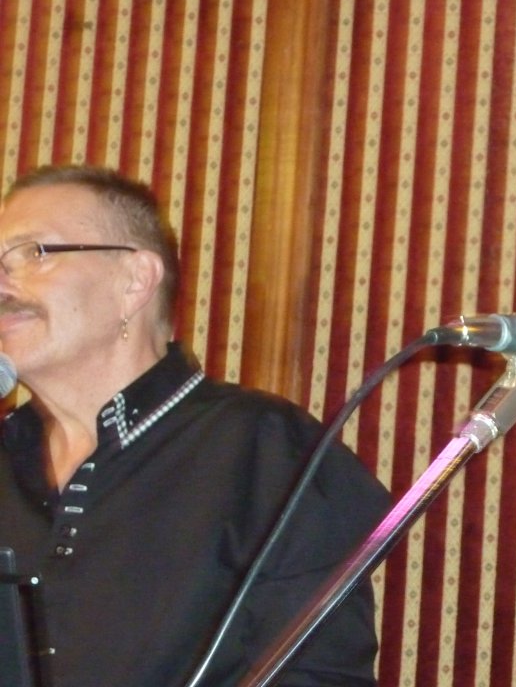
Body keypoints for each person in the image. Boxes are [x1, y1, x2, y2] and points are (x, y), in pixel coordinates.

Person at [0, 166, 392, 686]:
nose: (2, 282)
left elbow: (320, 676)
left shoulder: (265, 450)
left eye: (33, 253)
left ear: (135, 280)